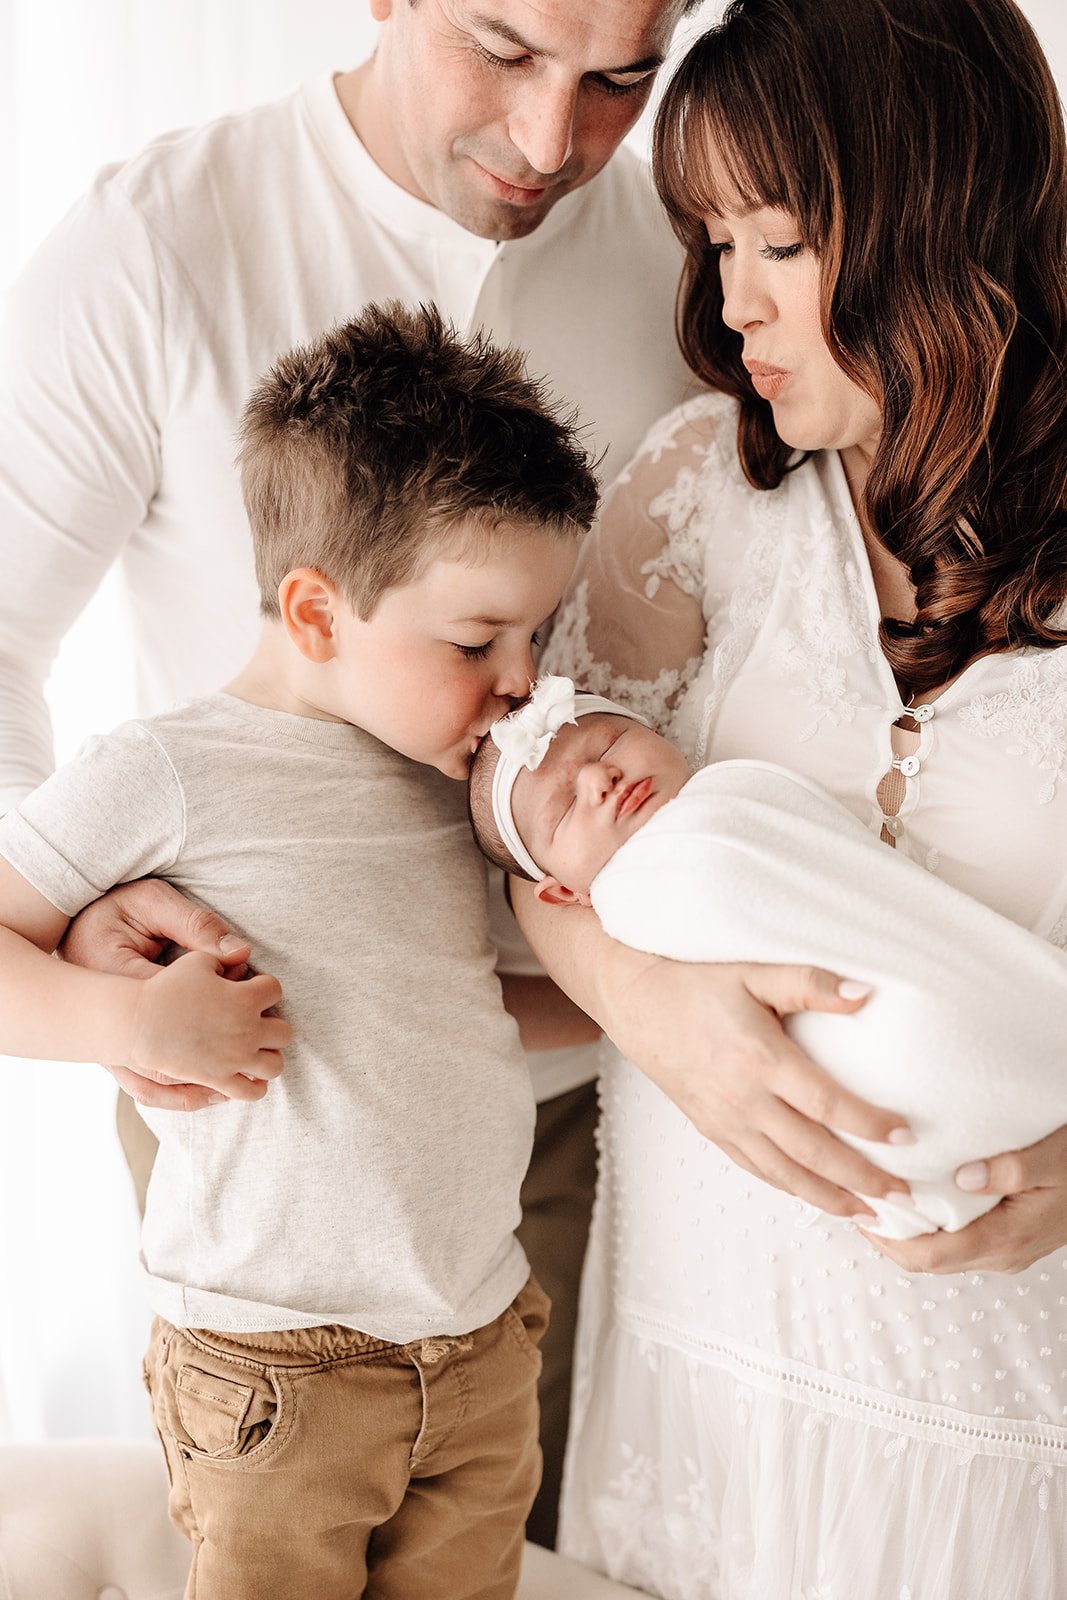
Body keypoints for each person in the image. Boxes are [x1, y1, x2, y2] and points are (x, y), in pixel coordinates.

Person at [0, 0, 709, 1546]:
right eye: (504, 50)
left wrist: (671, 989)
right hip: (252, 1114)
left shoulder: (693, 255)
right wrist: (82, 950)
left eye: (616, 79)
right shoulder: (151, 248)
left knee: (530, 1546)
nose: (550, 143)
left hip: (580, 1118)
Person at [509, 0, 1067, 1591]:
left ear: (930, 221)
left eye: (775, 243)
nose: (729, 305)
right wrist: (639, 995)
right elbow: (522, 819)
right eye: (708, 244)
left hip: (996, 1410)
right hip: (705, 1375)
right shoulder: (699, 491)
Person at [0, 302, 599, 1600]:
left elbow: (451, 1008)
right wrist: (119, 1027)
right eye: (476, 640)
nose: (521, 681)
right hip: (278, 1367)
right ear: (316, 614)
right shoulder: (165, 769)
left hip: (478, 1340)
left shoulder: (451, 787)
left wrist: (625, 1004)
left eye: (535, 638)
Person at [472, 675, 1067, 1239]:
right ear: (563, 894)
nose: (600, 778)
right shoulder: (626, 902)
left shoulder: (736, 794)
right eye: (565, 808)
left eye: (611, 742)